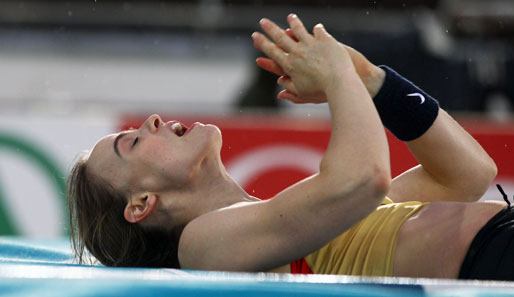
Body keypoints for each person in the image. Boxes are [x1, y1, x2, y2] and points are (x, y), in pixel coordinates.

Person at [67, 14, 514, 281]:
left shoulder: (302, 221)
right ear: (142, 203)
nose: (153, 121)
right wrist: (338, 74)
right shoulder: (200, 246)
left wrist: (374, 82)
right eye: (133, 142)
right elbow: (365, 177)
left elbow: (468, 174)